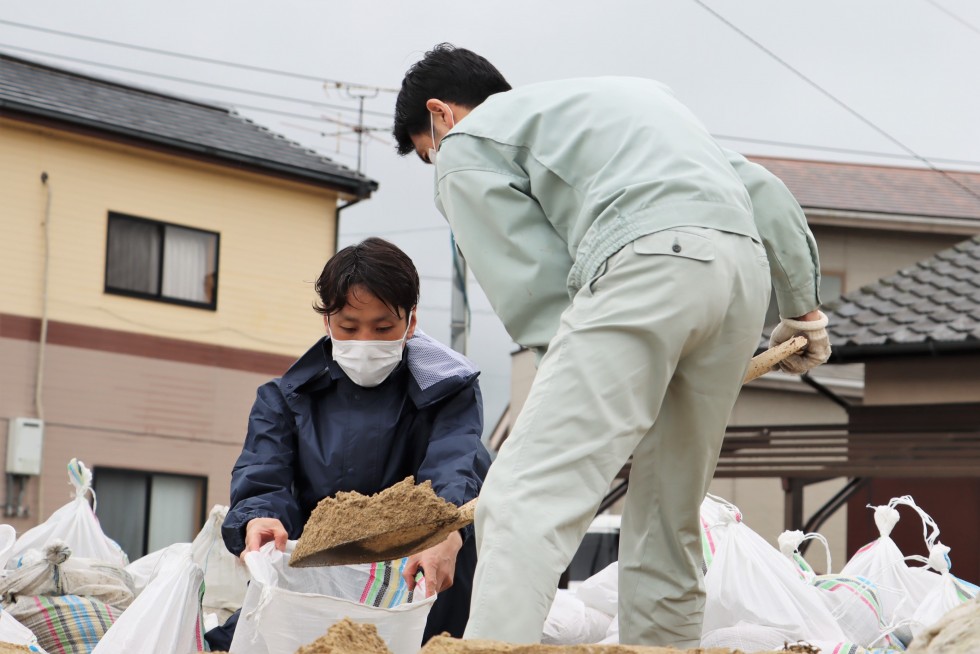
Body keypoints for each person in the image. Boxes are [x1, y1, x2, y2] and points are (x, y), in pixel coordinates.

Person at [392, 44, 832, 647]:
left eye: (428, 150)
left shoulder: (468, 143)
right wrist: (803, 312)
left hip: (647, 266)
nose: (437, 159)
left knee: (523, 499)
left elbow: (535, 288)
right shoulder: (635, 101)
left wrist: (579, 379)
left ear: (440, 115)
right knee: (666, 520)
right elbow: (765, 191)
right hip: (740, 281)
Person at [210, 237, 491, 650]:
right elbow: (263, 475)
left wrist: (445, 534)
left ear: (410, 322)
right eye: (348, 327)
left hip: (426, 572)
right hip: (327, 576)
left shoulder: (447, 391)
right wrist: (259, 519)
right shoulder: (285, 399)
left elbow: (455, 466)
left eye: (383, 328)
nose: (364, 342)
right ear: (327, 322)